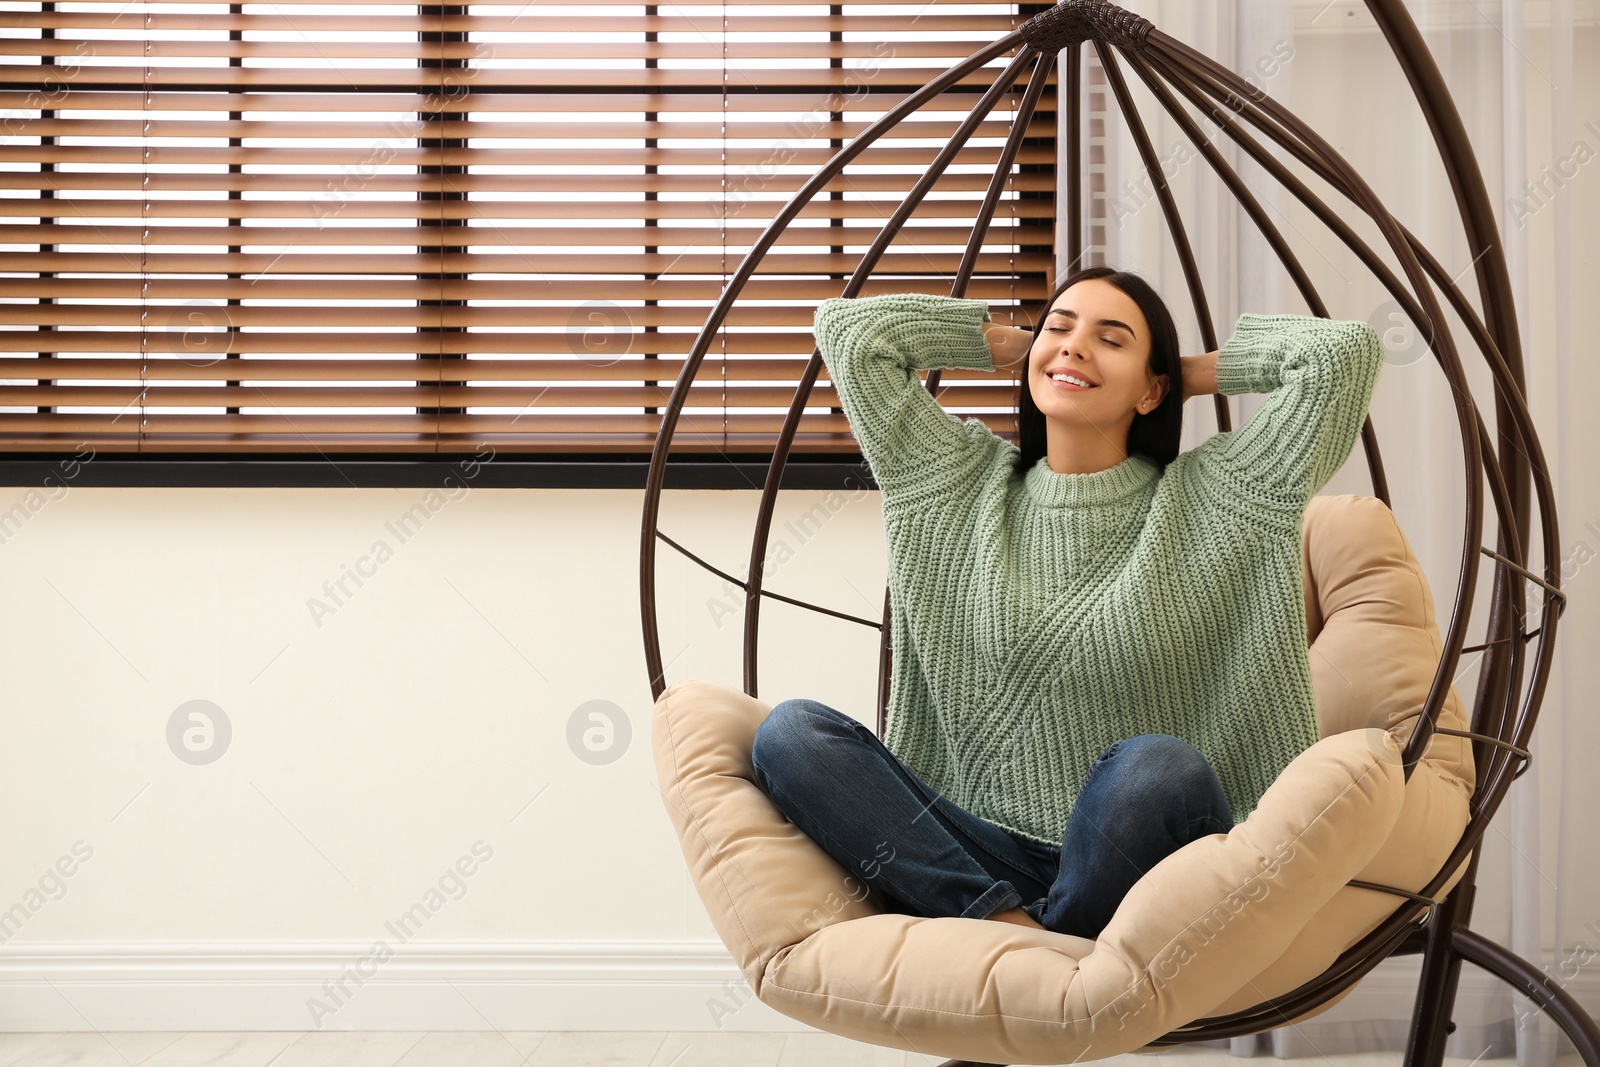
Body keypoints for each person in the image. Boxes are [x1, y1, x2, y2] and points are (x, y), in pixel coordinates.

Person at [749, 265, 1385, 940]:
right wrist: (1025, 346)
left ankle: (1025, 947)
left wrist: (1183, 374)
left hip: (1142, 849)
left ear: (1152, 389)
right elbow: (850, 333)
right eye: (1061, 325)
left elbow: (1341, 356)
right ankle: (1017, 931)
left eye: (1112, 339)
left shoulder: (1227, 494)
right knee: (790, 733)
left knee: (1155, 764)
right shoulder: (950, 478)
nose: (1076, 345)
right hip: (974, 854)